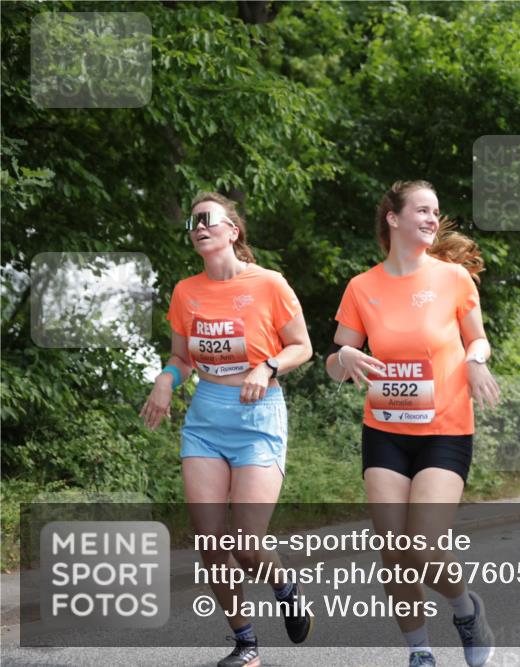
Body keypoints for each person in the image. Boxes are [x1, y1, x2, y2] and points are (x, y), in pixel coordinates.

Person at [327, 180, 500, 667]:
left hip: (444, 427)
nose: (431, 218)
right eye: (422, 210)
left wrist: (476, 362)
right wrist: (343, 355)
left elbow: (477, 340)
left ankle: (466, 611)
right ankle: (419, 650)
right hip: (384, 429)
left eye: (435, 212)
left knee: (422, 545)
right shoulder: (363, 287)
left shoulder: (452, 279)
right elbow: (337, 363)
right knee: (394, 551)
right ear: (393, 218)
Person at [140, 192, 314, 667]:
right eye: (193, 222)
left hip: (258, 416)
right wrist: (164, 380)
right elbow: (181, 358)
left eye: (208, 219)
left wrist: (269, 367)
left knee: (245, 539)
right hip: (207, 417)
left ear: (232, 231)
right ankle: (246, 642)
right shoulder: (186, 291)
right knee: (212, 540)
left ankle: (284, 585)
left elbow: (303, 346)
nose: (198, 227)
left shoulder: (270, 283)